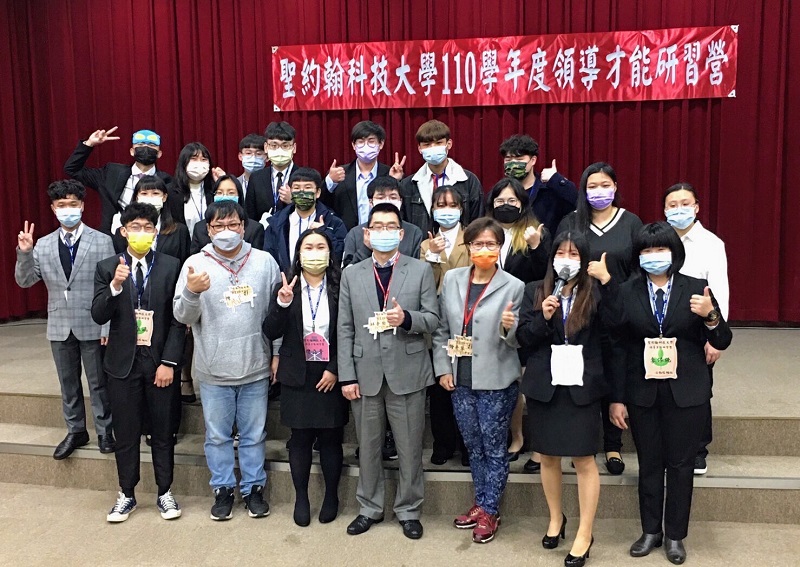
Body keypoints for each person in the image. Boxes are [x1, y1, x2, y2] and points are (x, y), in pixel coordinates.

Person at [599, 222, 732, 565]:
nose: (653, 256)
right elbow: (617, 347)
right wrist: (616, 398)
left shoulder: (696, 288)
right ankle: (650, 531)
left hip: (687, 390)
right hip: (641, 390)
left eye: (660, 249)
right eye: (646, 250)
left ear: (674, 253)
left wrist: (711, 316)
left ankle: (675, 535)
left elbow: (722, 339)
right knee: (649, 463)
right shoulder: (626, 291)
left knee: (681, 464)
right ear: (638, 255)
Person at [173, 200, 281, 521]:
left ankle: (253, 488)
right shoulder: (195, 263)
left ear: (244, 227)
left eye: (233, 224)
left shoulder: (264, 262)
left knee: (254, 435)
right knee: (217, 436)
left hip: (255, 366)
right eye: (218, 226)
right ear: (208, 230)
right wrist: (192, 292)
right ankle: (222, 489)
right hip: (214, 369)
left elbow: (276, 314)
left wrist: (276, 354)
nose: (226, 231)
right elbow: (182, 316)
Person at [338, 203, 440, 540]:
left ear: (401, 233)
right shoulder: (352, 273)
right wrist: (347, 375)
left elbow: (433, 319)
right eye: (377, 226)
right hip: (365, 372)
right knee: (367, 447)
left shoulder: (420, 270)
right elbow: (344, 327)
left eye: (390, 226)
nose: (384, 232)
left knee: (409, 448)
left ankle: (409, 510)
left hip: (407, 371)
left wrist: (407, 318)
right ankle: (369, 507)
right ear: (366, 235)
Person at [517, 232, 616, 566]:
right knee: (547, 456)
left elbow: (616, 329)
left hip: (582, 386)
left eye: (574, 254)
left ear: (584, 259)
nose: (567, 259)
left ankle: (585, 533)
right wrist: (543, 318)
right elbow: (523, 338)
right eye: (561, 253)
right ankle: (555, 518)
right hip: (546, 385)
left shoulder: (597, 292)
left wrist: (608, 283)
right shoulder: (535, 290)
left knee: (584, 460)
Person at [91, 203, 186, 523]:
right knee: (126, 432)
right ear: (123, 231)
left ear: (155, 232)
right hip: (122, 364)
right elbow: (98, 315)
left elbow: (178, 320)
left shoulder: (171, 266)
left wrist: (169, 362)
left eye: (147, 227)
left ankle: (165, 492)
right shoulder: (107, 267)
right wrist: (115, 287)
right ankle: (127, 493)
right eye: (135, 227)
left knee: (163, 431)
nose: (141, 233)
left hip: (159, 362)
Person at [432, 217, 524, 544]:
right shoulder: (453, 279)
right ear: (468, 246)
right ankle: (481, 502)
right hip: (460, 377)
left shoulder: (514, 285)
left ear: (500, 247)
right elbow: (442, 329)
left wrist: (509, 327)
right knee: (473, 446)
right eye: (478, 243)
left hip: (497, 379)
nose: (484, 249)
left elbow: (518, 340)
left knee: (494, 447)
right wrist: (443, 368)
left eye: (491, 244)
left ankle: (490, 510)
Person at [15, 179, 115, 459]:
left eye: (73, 204)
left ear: (82, 206)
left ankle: (105, 431)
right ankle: (76, 430)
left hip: (93, 322)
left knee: (98, 382)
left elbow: (111, 288)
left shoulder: (101, 240)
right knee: (68, 382)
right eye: (62, 205)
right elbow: (25, 281)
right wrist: (25, 253)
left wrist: (107, 324)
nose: (68, 209)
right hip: (59, 325)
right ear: (53, 208)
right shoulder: (43, 244)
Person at [557, 162, 643, 476]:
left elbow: (640, 269)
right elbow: (559, 261)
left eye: (605, 185)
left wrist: (612, 285)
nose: (599, 191)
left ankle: (613, 445)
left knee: (615, 372)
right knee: (583, 377)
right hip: (579, 313)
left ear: (615, 187)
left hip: (618, 310)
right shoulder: (572, 221)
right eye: (592, 186)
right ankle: (582, 444)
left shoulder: (631, 222)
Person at [264, 228, 348, 527]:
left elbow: (348, 332)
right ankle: (301, 497)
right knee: (299, 438)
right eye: (308, 247)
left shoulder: (341, 285)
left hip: (330, 372)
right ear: (299, 254)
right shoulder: (286, 286)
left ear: (330, 253)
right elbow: (270, 330)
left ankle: (331, 496)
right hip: (296, 372)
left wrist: (336, 369)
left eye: (320, 246)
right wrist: (283, 303)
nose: (314, 252)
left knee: (330, 438)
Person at [663, 183, 729, 475]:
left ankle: (699, 450)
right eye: (672, 205)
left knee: (699, 391)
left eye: (685, 204)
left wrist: (715, 336)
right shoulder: (658, 240)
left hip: (697, 327)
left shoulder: (711, 244)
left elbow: (720, 292)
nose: (678, 210)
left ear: (697, 207)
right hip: (662, 325)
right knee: (665, 389)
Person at [485, 177, 551, 467]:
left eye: (512, 201)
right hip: (491, 316)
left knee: (529, 382)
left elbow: (548, 273)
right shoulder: (484, 232)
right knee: (508, 382)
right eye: (500, 201)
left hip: (527, 314)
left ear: (523, 204)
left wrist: (536, 247)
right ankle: (516, 437)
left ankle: (539, 447)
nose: (506, 205)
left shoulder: (535, 232)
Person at [421, 186, 471, 467]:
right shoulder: (426, 244)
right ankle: (443, 444)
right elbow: (422, 285)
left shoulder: (472, 238)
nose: (447, 210)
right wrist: (432, 256)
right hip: (438, 323)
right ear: (433, 209)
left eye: (452, 205)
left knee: (465, 385)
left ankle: (467, 445)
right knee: (440, 390)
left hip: (467, 320)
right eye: (441, 205)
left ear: (461, 209)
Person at [63, 127, 172, 234]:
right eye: (140, 145)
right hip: (113, 237)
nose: (145, 148)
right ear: (132, 151)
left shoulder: (167, 181)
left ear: (159, 153)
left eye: (151, 145)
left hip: (153, 236)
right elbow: (72, 169)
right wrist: (89, 144)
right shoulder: (111, 173)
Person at [400, 120, 484, 235]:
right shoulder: (408, 184)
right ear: (419, 148)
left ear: (448, 144)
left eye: (438, 143)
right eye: (427, 145)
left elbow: (478, 222)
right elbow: (404, 224)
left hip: (461, 244)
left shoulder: (469, 181)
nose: (433, 148)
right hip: (422, 245)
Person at [322, 120, 405, 231]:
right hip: (347, 235)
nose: (366, 146)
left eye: (371, 141)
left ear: (381, 144)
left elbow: (402, 207)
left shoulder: (389, 173)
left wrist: (395, 181)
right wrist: (330, 181)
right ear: (353, 145)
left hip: (383, 233)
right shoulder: (339, 174)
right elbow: (323, 202)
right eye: (361, 142)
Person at [263, 167, 347, 272]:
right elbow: (270, 259)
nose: (302, 192)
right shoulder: (276, 223)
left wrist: (325, 233)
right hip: (285, 281)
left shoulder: (334, 223)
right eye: (297, 188)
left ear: (318, 193)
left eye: (307, 188)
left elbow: (339, 256)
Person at [499, 134, 578, 236]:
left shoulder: (549, 190)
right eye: (508, 160)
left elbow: (577, 201)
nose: (513, 164)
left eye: (519, 159)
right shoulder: (500, 192)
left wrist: (556, 179)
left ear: (533, 160)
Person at [342, 176, 423, 268]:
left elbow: (418, 269)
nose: (387, 201)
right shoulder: (355, 233)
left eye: (393, 197)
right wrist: (366, 249)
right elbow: (347, 271)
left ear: (400, 201)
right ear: (371, 202)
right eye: (381, 197)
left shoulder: (414, 232)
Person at [111, 176, 191, 264]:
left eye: (155, 193)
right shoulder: (123, 232)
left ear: (164, 197)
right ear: (137, 198)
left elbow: (184, 261)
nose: (150, 197)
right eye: (144, 193)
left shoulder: (179, 230)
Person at [245, 121, 303, 224]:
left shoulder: (304, 177)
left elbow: (315, 211)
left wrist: (294, 201)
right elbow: (249, 216)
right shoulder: (256, 178)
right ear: (266, 147)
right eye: (274, 145)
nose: (279, 150)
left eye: (285, 146)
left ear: (294, 148)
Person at [191, 175, 265, 254]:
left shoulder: (254, 229)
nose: (225, 196)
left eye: (231, 193)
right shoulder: (199, 228)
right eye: (219, 193)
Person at [167, 142, 220, 235]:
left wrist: (221, 183)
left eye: (204, 159)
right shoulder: (170, 191)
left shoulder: (215, 189)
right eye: (194, 159)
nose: (199, 163)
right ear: (184, 163)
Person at [237, 133, 267, 199]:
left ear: (267, 157)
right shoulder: (235, 184)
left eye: (258, 154)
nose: (253, 158)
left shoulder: (273, 183)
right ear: (240, 156)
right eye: (248, 153)